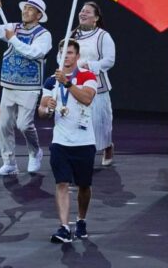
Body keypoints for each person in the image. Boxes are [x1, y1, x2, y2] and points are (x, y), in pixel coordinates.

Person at [38, 39, 97, 243]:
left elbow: (87, 98)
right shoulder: (50, 82)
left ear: (77, 56)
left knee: (84, 186)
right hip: (61, 141)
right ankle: (64, 226)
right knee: (61, 182)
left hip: (84, 141)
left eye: (70, 52)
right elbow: (42, 111)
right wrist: (48, 108)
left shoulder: (87, 76)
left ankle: (81, 219)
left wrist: (67, 83)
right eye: (63, 52)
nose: (67, 56)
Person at [0, 0, 52, 175]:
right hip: (9, 84)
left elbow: (33, 53)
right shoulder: (13, 27)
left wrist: (13, 39)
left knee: (24, 125)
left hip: (29, 87)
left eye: (30, 9)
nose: (26, 11)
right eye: (25, 8)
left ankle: (35, 152)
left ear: (39, 15)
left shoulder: (44, 35)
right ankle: (9, 162)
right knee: (4, 125)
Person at [72, 2, 116, 166]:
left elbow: (109, 60)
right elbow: (62, 55)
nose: (83, 14)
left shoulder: (103, 36)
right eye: (82, 11)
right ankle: (84, 152)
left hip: (97, 85)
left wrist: (90, 66)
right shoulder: (72, 35)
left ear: (96, 18)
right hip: (77, 85)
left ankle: (107, 146)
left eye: (88, 12)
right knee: (79, 120)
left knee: (100, 121)